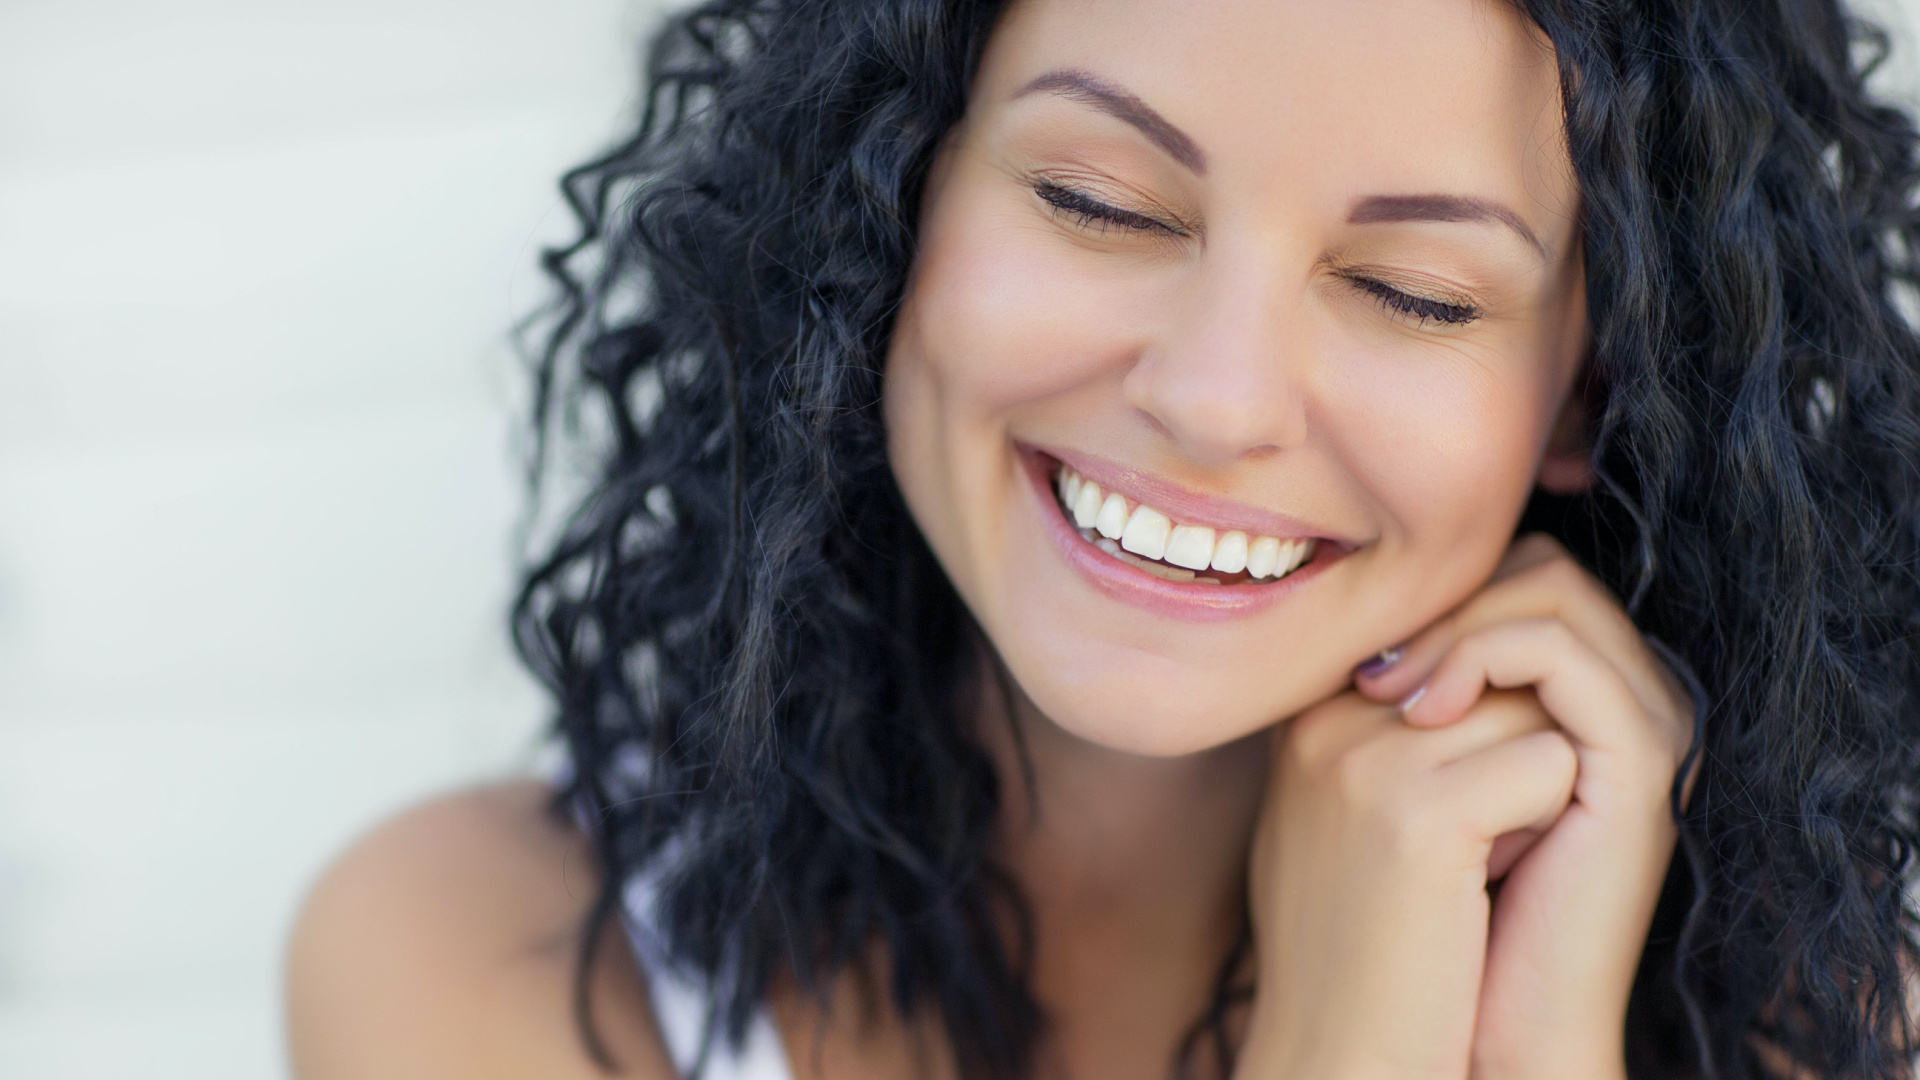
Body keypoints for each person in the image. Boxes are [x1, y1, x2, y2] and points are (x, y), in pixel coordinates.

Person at [284, 0, 1920, 1076]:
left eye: (1415, 293)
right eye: (1100, 202)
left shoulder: (1821, 1033)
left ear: (1591, 394)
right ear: (887, 201)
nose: (1216, 400)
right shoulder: (476, 949)